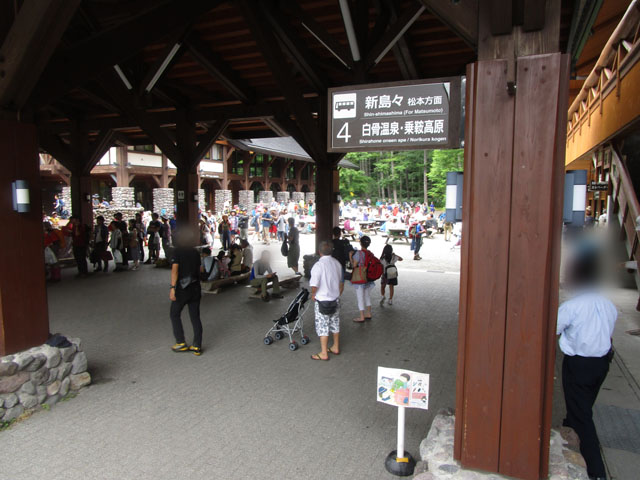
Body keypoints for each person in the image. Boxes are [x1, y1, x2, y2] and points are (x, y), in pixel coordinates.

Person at [557, 245, 616, 480]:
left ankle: (596, 471)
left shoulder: (572, 307)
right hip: (601, 365)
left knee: (582, 417)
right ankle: (569, 435)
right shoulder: (608, 305)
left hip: (579, 365)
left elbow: (553, 329)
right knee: (581, 409)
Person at [169, 231, 204, 356]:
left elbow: (175, 270)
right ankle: (197, 346)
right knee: (195, 317)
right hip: (195, 288)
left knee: (174, 314)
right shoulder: (195, 252)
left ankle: (181, 342)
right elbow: (200, 269)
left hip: (182, 289)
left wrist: (172, 288)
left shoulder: (177, 252)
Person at [309, 241, 344, 361]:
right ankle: (335, 347)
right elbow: (341, 282)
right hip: (335, 299)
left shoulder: (318, 266)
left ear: (319, 252)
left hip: (322, 301)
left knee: (323, 326)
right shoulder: (337, 263)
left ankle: (324, 353)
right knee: (335, 323)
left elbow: (314, 285)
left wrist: (313, 294)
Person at [349, 236, 375, 322]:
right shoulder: (370, 253)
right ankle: (368, 313)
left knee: (360, 297)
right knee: (367, 296)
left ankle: (361, 317)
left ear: (360, 243)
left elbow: (354, 265)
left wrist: (350, 257)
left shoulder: (359, 253)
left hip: (360, 278)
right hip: (368, 278)